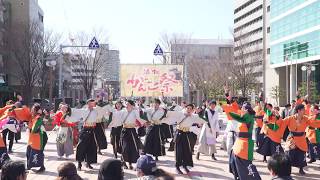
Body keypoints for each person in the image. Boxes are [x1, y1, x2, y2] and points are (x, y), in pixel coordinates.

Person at [263, 104, 320, 175]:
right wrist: (277, 116)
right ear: (299, 111)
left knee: (301, 154)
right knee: (289, 155)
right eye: (303, 110)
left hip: (301, 138)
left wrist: (317, 115)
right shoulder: (290, 118)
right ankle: (287, 170)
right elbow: (281, 124)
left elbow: (313, 122)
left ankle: (301, 169)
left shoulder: (305, 118)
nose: (305, 111)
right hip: (292, 139)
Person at [65, 99, 109, 170]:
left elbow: (105, 112)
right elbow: (75, 111)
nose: (92, 104)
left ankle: (88, 163)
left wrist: (107, 108)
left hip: (93, 130)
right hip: (85, 129)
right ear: (88, 103)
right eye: (91, 103)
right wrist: (68, 109)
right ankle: (79, 163)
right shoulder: (84, 110)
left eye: (93, 102)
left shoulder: (96, 110)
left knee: (91, 147)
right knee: (81, 146)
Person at [162, 104, 206, 174]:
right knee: (178, 151)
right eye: (187, 108)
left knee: (186, 151)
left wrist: (201, 123)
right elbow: (170, 114)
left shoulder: (194, 116)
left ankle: (185, 165)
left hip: (186, 135)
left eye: (190, 109)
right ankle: (177, 167)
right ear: (185, 108)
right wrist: (165, 111)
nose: (188, 110)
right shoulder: (180, 114)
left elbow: (203, 120)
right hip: (179, 134)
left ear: (192, 110)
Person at [229, 102, 261, 180]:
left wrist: (230, 108)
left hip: (244, 146)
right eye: (242, 108)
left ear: (247, 110)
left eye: (243, 108)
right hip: (238, 145)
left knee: (246, 168)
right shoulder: (244, 116)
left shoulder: (248, 116)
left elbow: (233, 114)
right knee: (235, 165)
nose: (242, 109)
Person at [120, 100, 147, 170]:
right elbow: (118, 118)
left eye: (128, 104)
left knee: (133, 147)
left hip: (132, 131)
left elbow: (139, 118)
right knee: (124, 147)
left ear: (132, 105)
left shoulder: (135, 111)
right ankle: (123, 162)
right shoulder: (123, 111)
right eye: (126, 104)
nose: (127, 106)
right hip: (125, 131)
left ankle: (130, 163)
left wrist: (145, 123)